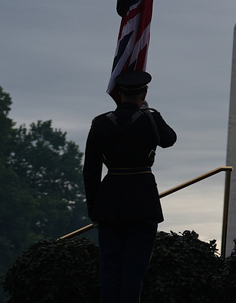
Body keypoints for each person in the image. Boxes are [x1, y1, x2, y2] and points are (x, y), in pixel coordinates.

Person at [83, 70, 177, 303]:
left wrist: (94, 209)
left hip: (110, 203)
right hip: (142, 202)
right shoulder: (151, 119)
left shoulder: (100, 123)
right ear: (143, 94)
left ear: (119, 94)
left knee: (110, 269)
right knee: (135, 270)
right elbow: (169, 139)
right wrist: (149, 112)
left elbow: (91, 170)